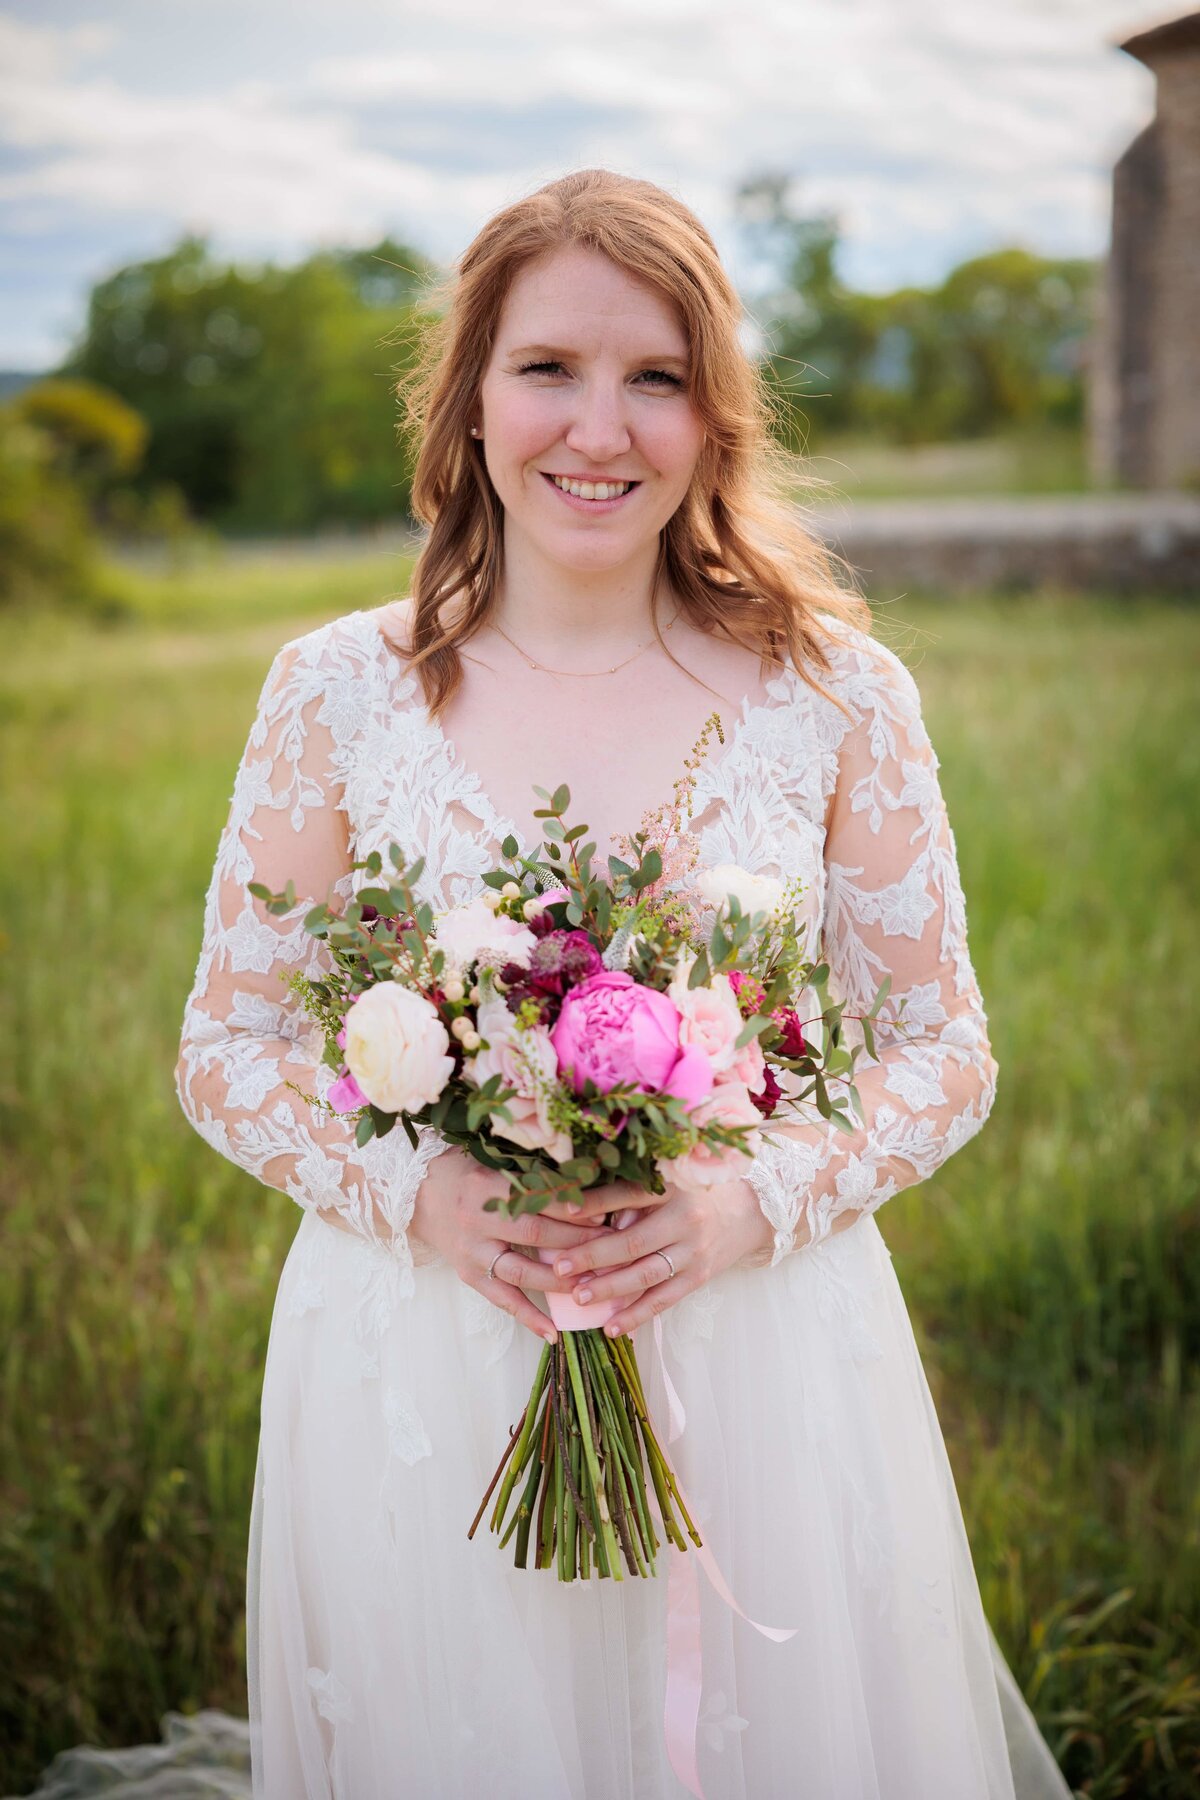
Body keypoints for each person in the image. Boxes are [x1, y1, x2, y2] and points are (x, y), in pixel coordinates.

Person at [175, 168, 1072, 1799]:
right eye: (549, 369)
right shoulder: (334, 696)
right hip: (425, 1355)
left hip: (756, 1347)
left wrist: (758, 1201)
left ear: (716, 415)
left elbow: (944, 1047)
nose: (601, 428)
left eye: (656, 377)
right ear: (467, 402)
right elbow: (224, 1046)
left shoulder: (836, 698)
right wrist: (419, 1192)